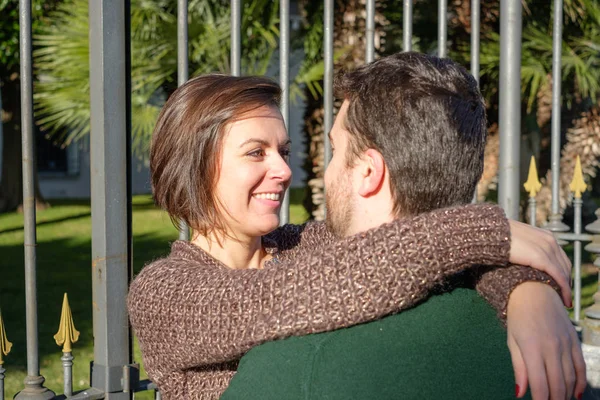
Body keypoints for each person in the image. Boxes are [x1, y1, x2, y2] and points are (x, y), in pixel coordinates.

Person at [127, 70, 581, 400]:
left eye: (283, 151)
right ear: (195, 166)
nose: (284, 171)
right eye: (255, 153)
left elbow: (413, 250)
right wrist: (485, 229)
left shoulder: (306, 245)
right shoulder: (161, 293)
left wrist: (526, 294)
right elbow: (271, 300)